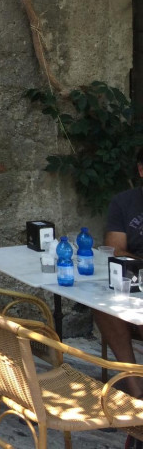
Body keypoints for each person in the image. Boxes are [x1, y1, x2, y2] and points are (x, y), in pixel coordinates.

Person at [96, 149, 143, 449]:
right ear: (141, 170)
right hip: (134, 284)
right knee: (104, 310)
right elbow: (115, 250)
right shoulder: (124, 202)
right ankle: (136, 395)